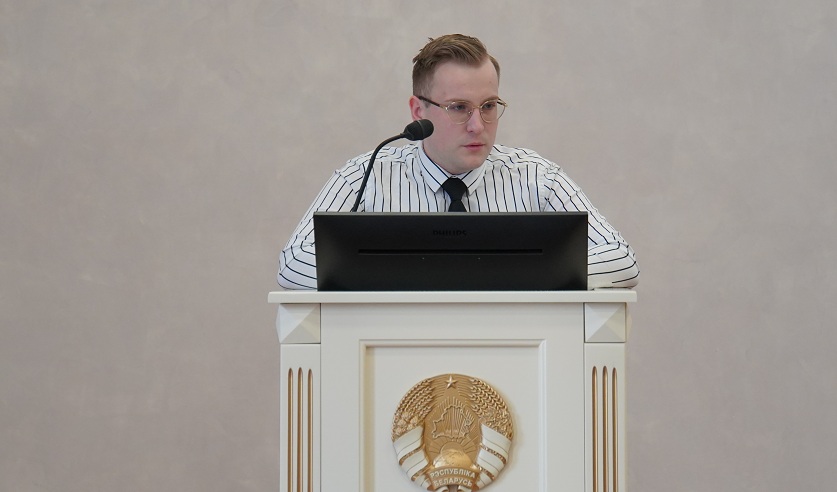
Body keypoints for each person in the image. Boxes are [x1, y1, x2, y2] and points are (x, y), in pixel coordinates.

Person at [278, 34, 639, 290]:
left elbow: (622, 259)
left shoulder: (537, 177)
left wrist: (512, 272)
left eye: (489, 106)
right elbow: (292, 263)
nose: (478, 125)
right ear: (418, 111)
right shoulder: (364, 176)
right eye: (458, 108)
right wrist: (407, 274)